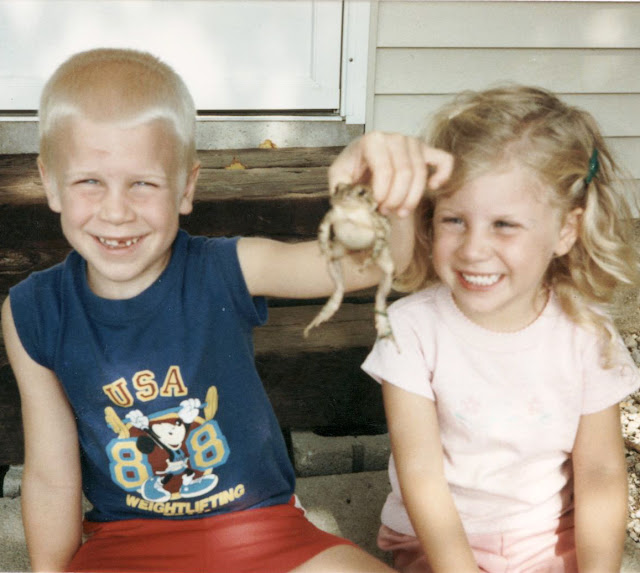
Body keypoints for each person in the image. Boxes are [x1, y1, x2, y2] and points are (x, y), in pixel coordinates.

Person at [0, 48, 454, 573]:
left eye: (143, 183)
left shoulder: (228, 268)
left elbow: (378, 262)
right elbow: (51, 476)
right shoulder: (32, 311)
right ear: (50, 182)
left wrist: (389, 187)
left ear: (186, 187)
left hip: (263, 528)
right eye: (89, 181)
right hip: (126, 542)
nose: (116, 210)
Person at [362, 85, 640, 573]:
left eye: (504, 225)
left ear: (565, 230)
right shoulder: (411, 330)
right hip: (439, 541)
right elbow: (421, 476)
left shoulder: (587, 336)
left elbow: (599, 473)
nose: (473, 249)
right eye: (454, 220)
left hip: (547, 536)